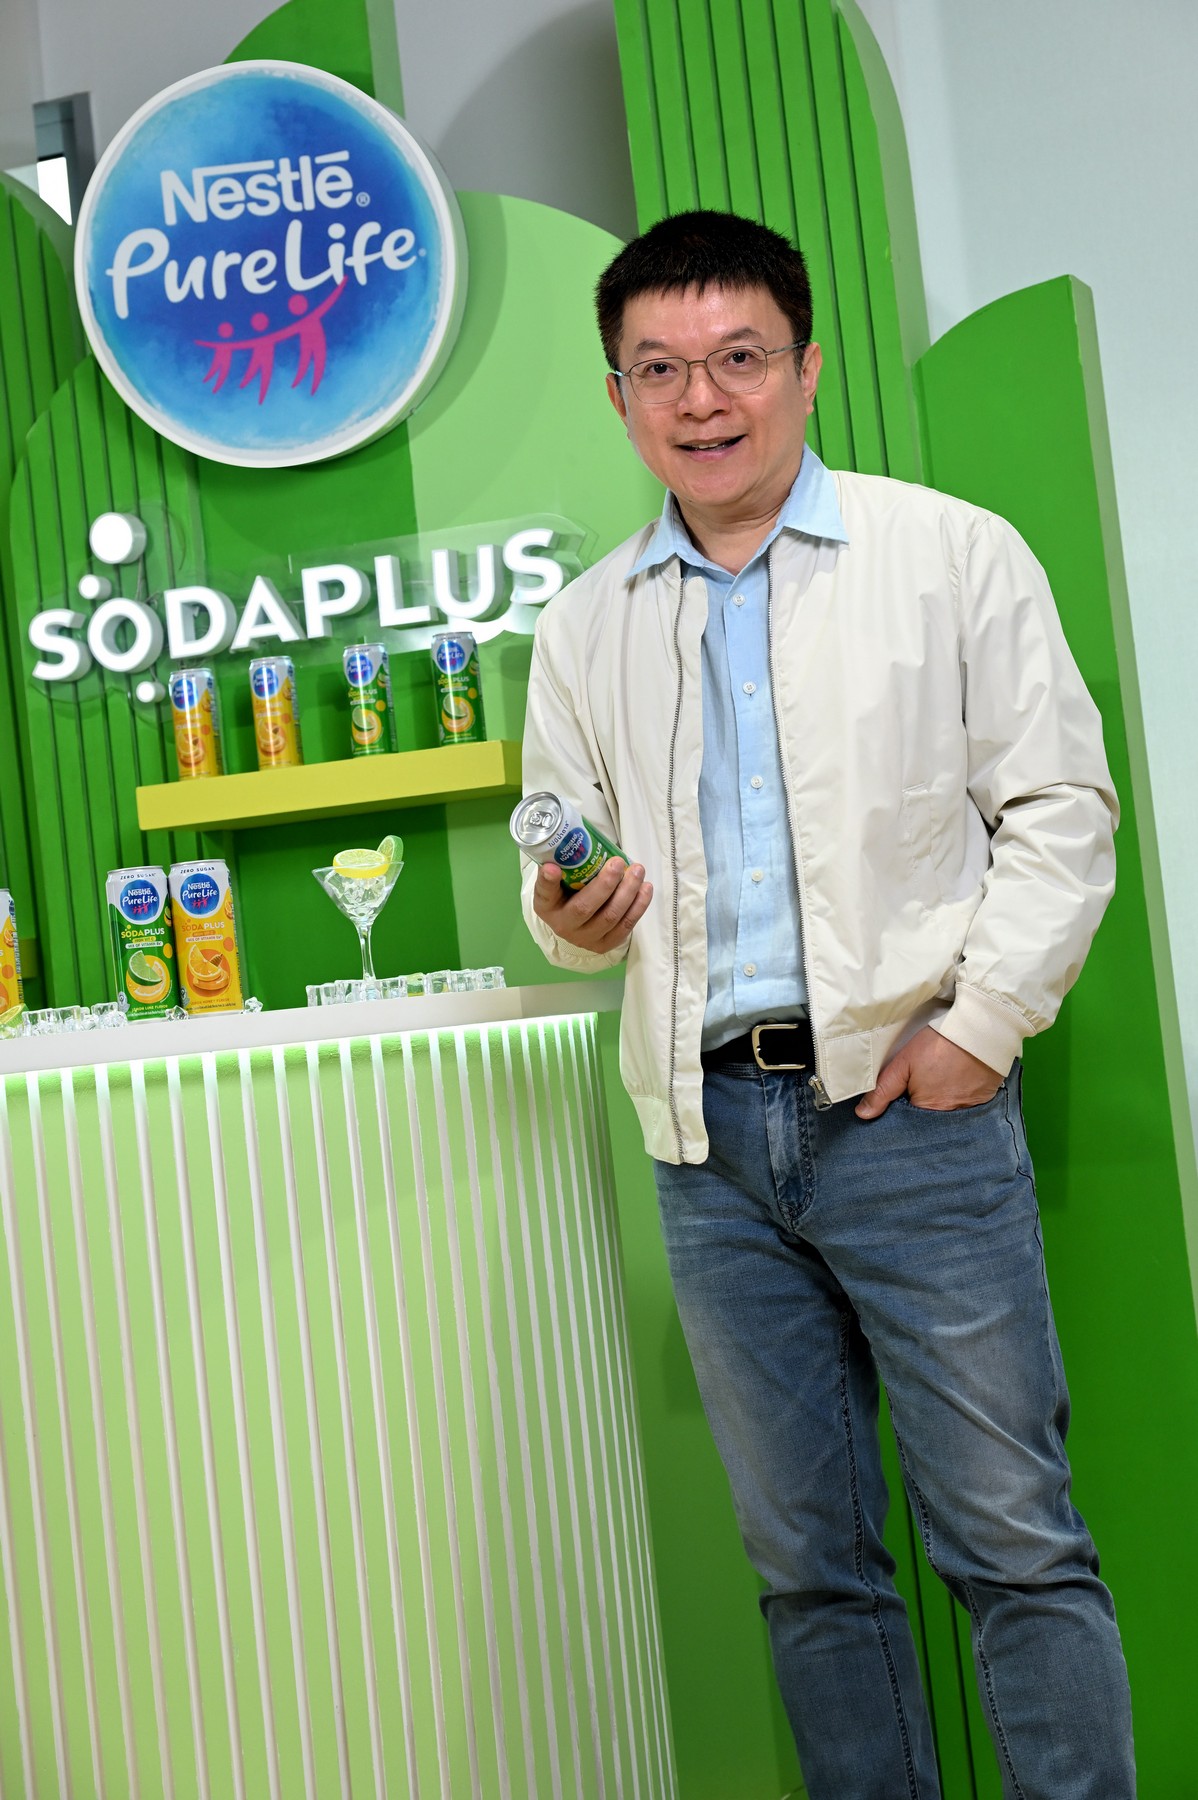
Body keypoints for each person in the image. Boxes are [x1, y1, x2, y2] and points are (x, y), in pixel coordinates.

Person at [518, 209, 1135, 1799]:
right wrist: (567, 914)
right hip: (706, 1146)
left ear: (803, 369)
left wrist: (977, 1029)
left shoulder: (949, 554)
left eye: (737, 358)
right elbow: (570, 882)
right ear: (618, 397)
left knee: (1012, 1542)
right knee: (807, 1571)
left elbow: (1060, 810)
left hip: (908, 1115)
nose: (701, 399)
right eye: (660, 369)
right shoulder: (584, 624)